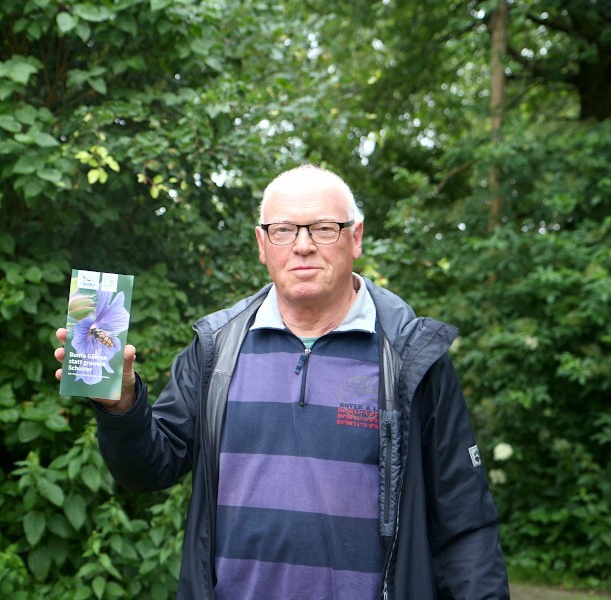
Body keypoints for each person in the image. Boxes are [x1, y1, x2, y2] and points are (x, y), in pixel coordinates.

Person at [54, 164, 510, 599]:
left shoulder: (413, 356)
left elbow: (465, 524)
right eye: (285, 230)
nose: (303, 245)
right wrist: (121, 407)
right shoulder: (216, 348)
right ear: (262, 243)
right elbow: (149, 467)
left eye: (324, 228)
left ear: (356, 238)